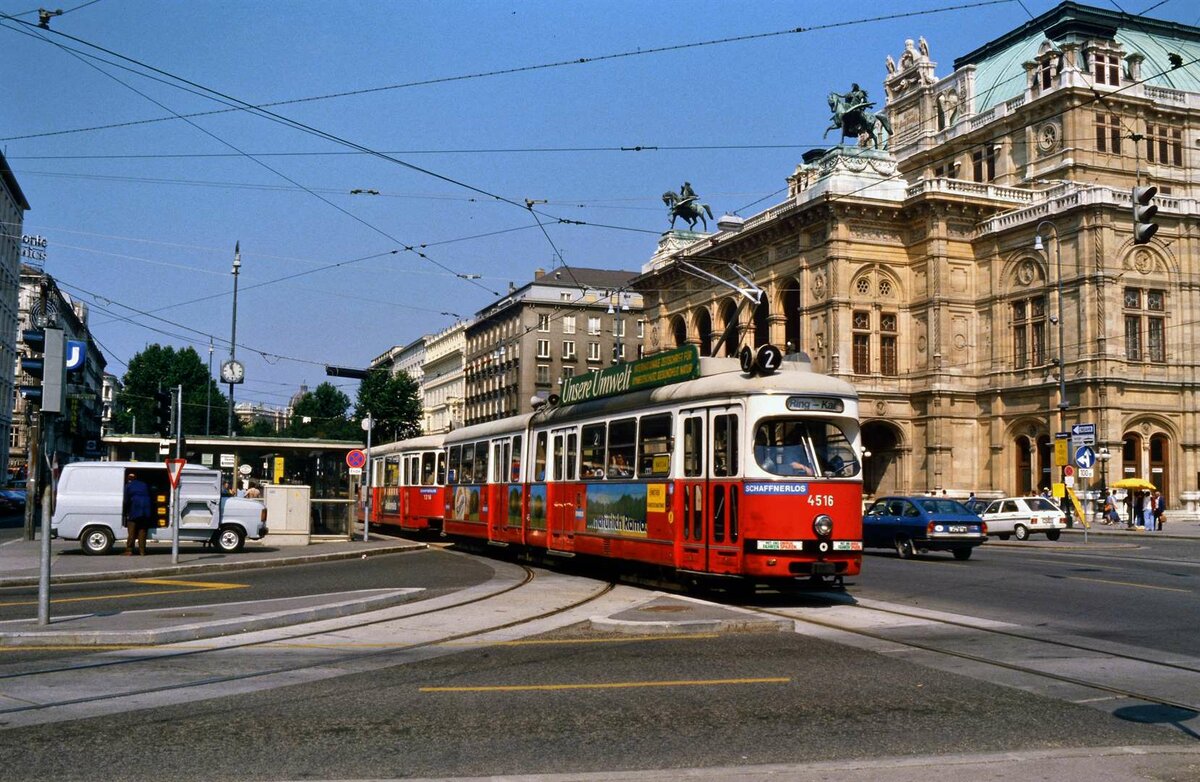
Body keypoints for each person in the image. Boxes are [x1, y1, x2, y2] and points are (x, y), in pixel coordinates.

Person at [123, 471, 153, 556]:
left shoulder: (128, 486)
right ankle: (142, 551)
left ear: (129, 479)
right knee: (142, 531)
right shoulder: (144, 484)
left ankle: (129, 550)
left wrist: (125, 512)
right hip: (146, 510)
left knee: (132, 531)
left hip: (135, 509)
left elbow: (126, 500)